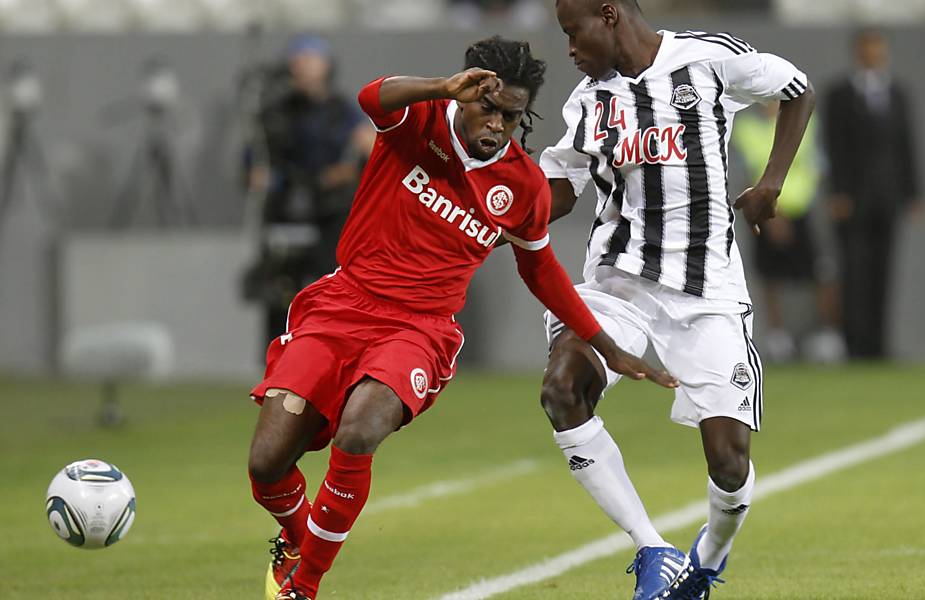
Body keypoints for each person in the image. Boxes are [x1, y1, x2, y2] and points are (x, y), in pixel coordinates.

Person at [246, 36, 676, 600]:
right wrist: (441, 88)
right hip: (343, 306)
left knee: (359, 430)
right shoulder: (419, 121)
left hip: (418, 331)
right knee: (266, 465)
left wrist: (606, 345)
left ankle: (305, 587)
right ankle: (300, 537)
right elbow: (371, 97)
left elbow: (541, 270)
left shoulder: (522, 185)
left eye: (511, 115)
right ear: (466, 92)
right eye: (487, 107)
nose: (497, 124)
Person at [539, 2, 814, 598]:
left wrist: (771, 182)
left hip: (707, 293)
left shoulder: (708, 59)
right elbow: (561, 189)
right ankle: (653, 548)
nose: (569, 48)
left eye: (572, 31)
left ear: (608, 15)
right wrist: (499, 191)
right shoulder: (589, 100)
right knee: (562, 386)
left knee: (729, 463)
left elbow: (798, 89)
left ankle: (708, 557)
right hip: (619, 286)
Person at [243, 35, 375, 348]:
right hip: (285, 209)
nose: (301, 67)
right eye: (297, 60)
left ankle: (327, 352)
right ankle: (275, 361)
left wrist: (351, 164)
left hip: (331, 210)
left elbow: (368, 148)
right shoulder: (275, 113)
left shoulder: (342, 111)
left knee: (329, 285)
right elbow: (255, 162)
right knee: (278, 293)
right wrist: (260, 175)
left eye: (309, 60)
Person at [823, 28, 922, 359]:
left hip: (888, 196)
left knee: (884, 271)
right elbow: (832, 146)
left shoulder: (898, 93)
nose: (873, 53)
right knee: (853, 271)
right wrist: (837, 191)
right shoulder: (839, 94)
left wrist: (913, 191)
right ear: (857, 51)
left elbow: (906, 145)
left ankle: (879, 346)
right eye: (868, 47)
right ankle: (855, 345)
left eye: (878, 47)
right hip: (852, 199)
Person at [732, 101, 844, 363]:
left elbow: (818, 165)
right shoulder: (747, 130)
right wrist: (772, 216)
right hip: (768, 212)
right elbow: (746, 173)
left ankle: (830, 335)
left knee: (821, 272)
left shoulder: (806, 122)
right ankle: (778, 338)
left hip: (804, 209)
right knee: (770, 275)